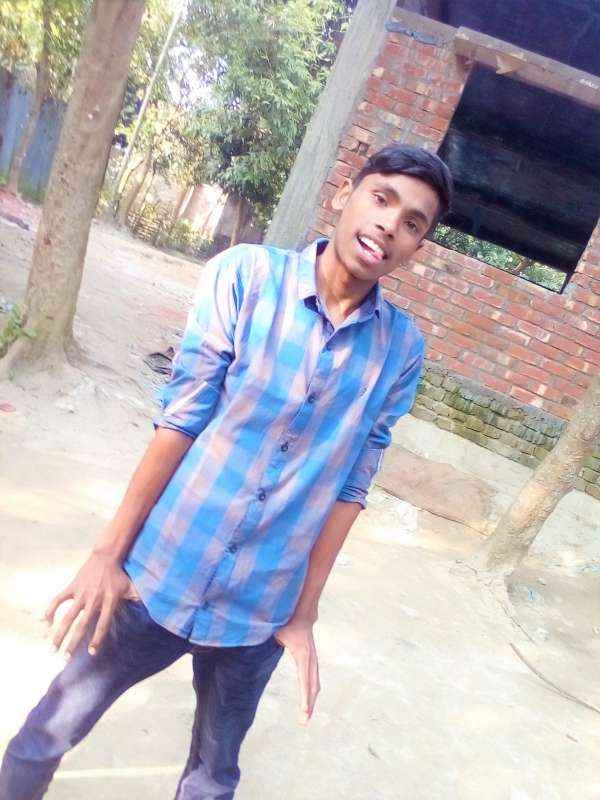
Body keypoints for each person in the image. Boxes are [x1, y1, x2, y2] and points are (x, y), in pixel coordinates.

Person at [0, 144, 453, 800]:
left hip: (260, 611)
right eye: (381, 198)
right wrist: (108, 555)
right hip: (159, 578)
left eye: (413, 222)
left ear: (416, 247)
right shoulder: (247, 277)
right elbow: (181, 418)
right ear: (344, 196)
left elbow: (353, 483)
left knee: (213, 780)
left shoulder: (400, 349)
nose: (390, 224)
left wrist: (303, 613)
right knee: (44, 736)